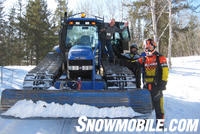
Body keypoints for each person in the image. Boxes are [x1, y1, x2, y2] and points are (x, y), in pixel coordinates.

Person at [137, 39, 169, 127]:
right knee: (145, 105)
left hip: (156, 85)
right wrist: (138, 61)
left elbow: (165, 71)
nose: (148, 49)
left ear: (154, 47)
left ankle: (160, 124)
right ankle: (143, 122)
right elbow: (134, 65)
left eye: (150, 47)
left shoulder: (160, 57)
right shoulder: (144, 58)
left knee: (158, 106)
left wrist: (163, 83)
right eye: (146, 47)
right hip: (146, 86)